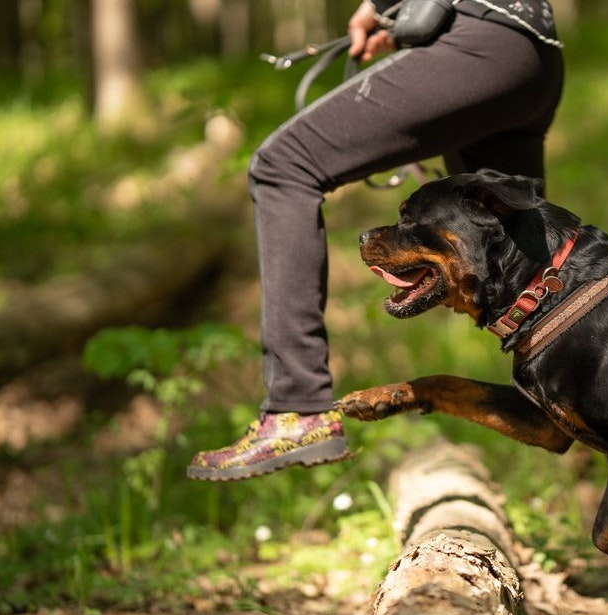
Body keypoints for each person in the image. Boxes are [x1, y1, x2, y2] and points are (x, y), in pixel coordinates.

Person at [187, 0, 565, 481]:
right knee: (539, 281)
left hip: (479, 41)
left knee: (282, 166)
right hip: (533, 49)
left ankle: (296, 408)